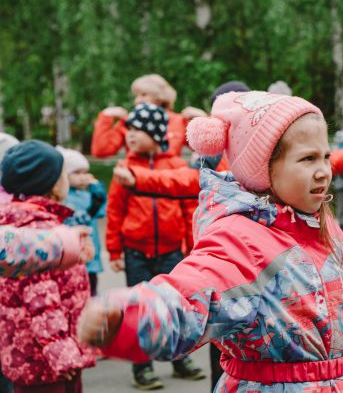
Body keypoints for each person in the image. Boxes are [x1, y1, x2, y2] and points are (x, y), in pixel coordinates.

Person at [78, 91, 343, 392]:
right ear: (264, 169)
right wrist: (129, 318)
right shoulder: (241, 242)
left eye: (326, 157)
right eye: (308, 158)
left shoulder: (316, 230)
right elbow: (193, 294)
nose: (323, 170)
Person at [105, 103, 204, 389]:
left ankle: (180, 359)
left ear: (157, 134)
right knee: (139, 310)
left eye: (139, 130)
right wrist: (114, 250)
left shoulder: (175, 167)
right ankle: (142, 366)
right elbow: (115, 211)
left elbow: (188, 210)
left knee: (174, 308)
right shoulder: (126, 169)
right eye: (129, 130)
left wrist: (191, 245)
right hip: (136, 253)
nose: (131, 135)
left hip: (171, 251)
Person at [0, 140, 95, 393]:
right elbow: (42, 302)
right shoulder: (39, 233)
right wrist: (63, 354)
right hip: (48, 364)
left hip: (36, 356)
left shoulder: (22, 225)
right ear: (53, 184)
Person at [91, 74, 206, 158]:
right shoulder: (130, 121)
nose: (137, 100)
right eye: (136, 96)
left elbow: (206, 148)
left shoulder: (178, 121)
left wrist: (203, 120)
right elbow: (102, 151)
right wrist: (105, 117)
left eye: (143, 95)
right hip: (135, 181)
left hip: (169, 182)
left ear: (160, 96)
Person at [58, 147, 107, 297]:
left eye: (85, 173)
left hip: (91, 257)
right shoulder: (63, 197)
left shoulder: (87, 195)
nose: (82, 177)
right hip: (73, 258)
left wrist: (98, 191)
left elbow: (101, 212)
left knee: (92, 293)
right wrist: (93, 207)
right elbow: (76, 219)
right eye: (77, 173)